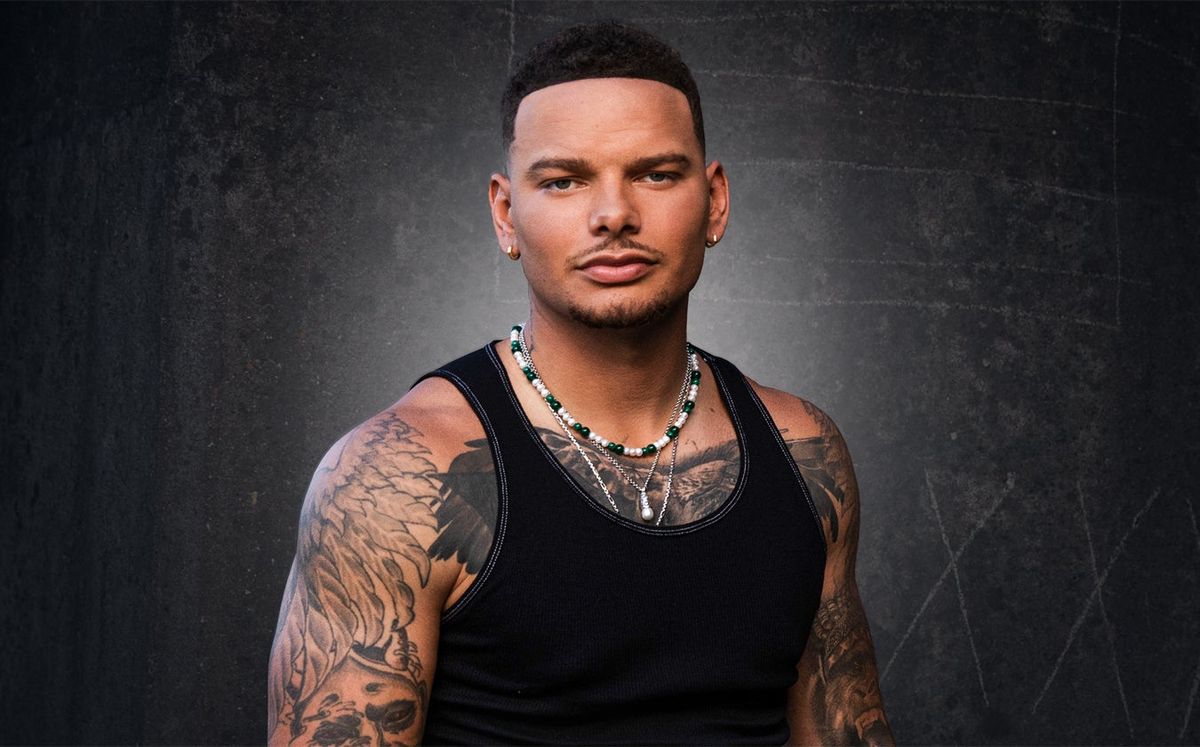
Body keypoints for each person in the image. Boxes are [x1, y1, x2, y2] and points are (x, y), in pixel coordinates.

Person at [268, 21, 893, 746]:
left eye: (656, 174)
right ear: (507, 215)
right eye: (564, 181)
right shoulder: (399, 474)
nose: (613, 215)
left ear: (715, 200)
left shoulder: (804, 453)